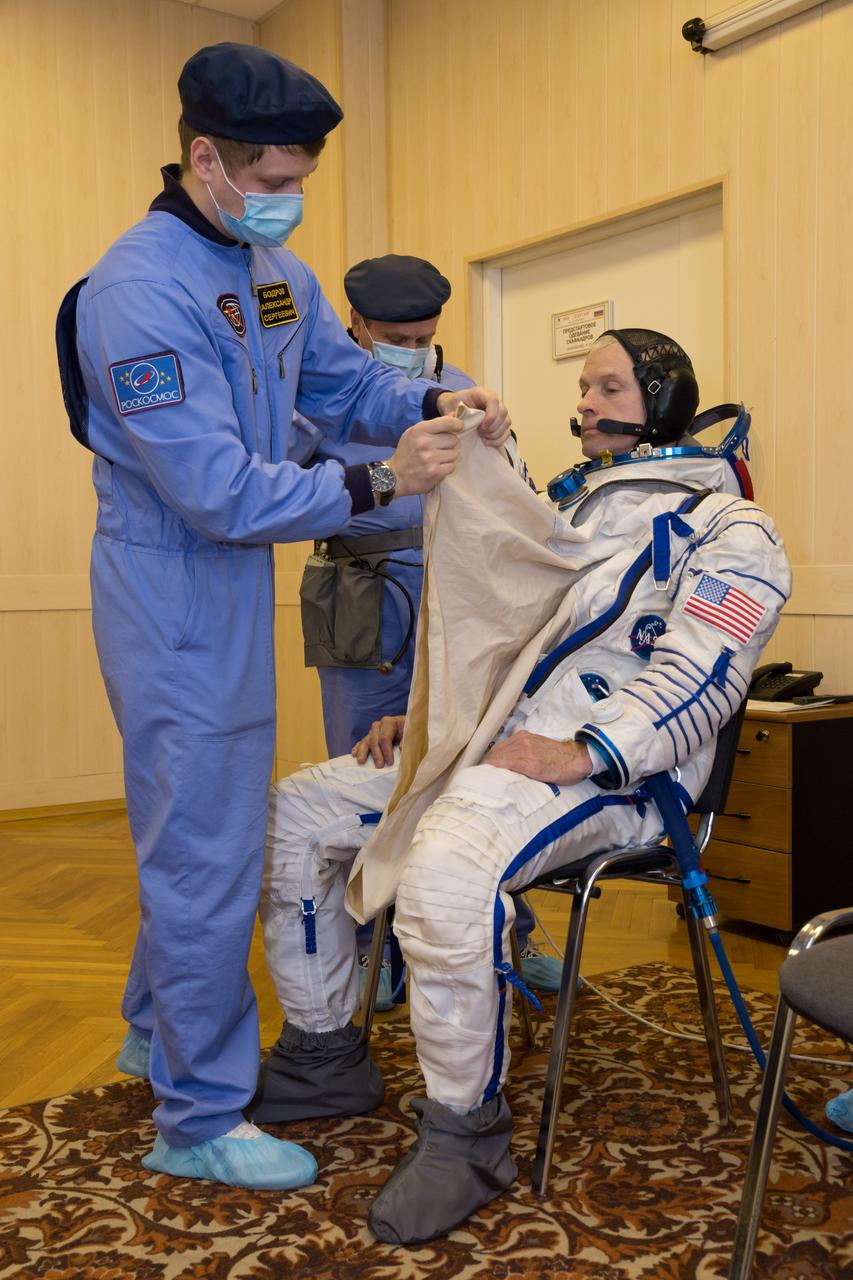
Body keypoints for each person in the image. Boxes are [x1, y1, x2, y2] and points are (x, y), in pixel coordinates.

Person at [53, 41, 510, 1192]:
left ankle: (156, 1030)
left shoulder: (278, 279)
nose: (286, 203)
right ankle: (197, 1114)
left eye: (300, 182)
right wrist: (378, 481)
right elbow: (213, 487)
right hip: (172, 579)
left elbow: (339, 387)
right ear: (203, 160)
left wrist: (430, 395)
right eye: (268, 184)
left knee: (206, 825)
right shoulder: (137, 292)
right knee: (205, 843)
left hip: (227, 576)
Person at [252, 328, 791, 1241]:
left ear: (663, 400)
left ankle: (467, 1133)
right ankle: (323, 1054)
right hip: (499, 748)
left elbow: (704, 675)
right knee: (298, 811)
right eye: (582, 387)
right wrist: (434, 719)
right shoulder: (570, 515)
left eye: (608, 386)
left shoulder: (732, 531)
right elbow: (497, 633)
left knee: (448, 867)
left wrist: (585, 751)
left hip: (618, 777)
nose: (584, 404)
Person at [293, 253, 562, 1006]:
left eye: (423, 333)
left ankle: (505, 932)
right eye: (392, 335)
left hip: (458, 592)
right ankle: (368, 948)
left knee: (470, 761)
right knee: (367, 769)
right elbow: (286, 492)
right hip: (359, 592)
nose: (411, 346)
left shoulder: (461, 387)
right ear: (354, 326)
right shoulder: (317, 396)